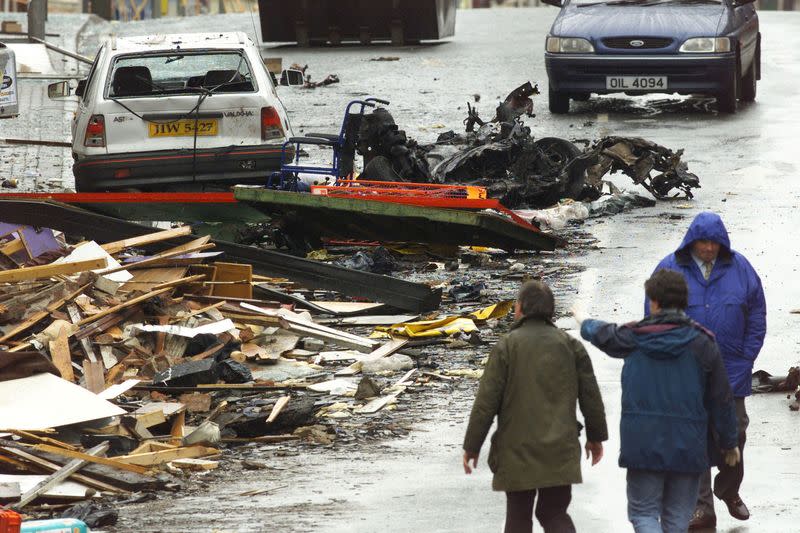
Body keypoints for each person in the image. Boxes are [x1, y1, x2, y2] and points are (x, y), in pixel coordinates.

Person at [578, 269, 740, 533]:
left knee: (643, 514)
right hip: (688, 445)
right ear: (685, 302)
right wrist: (729, 442)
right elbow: (721, 399)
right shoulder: (703, 343)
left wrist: (583, 321)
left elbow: (604, 334)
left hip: (643, 444)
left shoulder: (633, 337)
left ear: (652, 301)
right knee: (677, 519)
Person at [649, 211, 766, 528]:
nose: (709, 248)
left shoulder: (740, 268)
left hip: (732, 369)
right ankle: (701, 506)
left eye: (714, 243)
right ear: (691, 241)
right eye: (703, 242)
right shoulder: (670, 268)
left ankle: (729, 489)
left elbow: (756, 314)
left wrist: (747, 357)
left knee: (736, 432)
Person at [462, 280, 607, 533]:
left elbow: (486, 402)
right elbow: (591, 397)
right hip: (560, 448)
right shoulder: (571, 346)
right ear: (550, 312)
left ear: (520, 309)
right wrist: (595, 438)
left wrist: (472, 446)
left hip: (516, 449)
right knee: (553, 511)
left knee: (518, 516)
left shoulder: (507, 346)